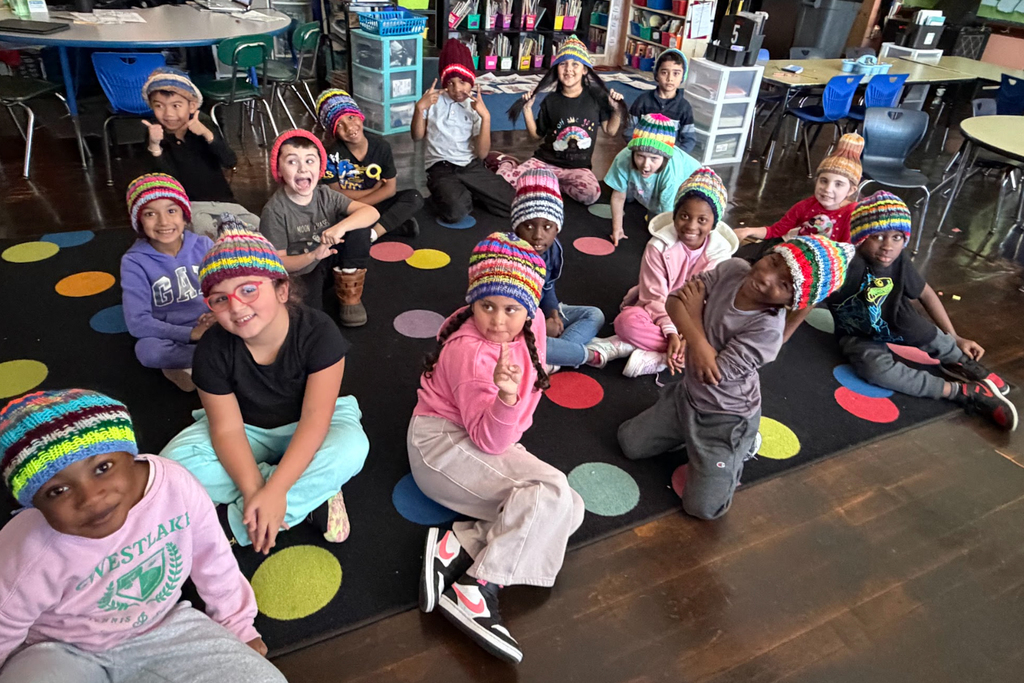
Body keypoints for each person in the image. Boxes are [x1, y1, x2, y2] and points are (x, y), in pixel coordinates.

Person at [0, 389, 286, 683]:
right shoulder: (26, 547)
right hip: (60, 649)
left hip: (163, 627)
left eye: (102, 468)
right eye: (57, 491)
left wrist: (236, 623)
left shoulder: (175, 485)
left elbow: (212, 557)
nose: (90, 498)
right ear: (34, 503)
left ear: (130, 454)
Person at [409, 233, 584, 664]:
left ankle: (460, 544)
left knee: (570, 506)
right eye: (486, 306)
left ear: (529, 307)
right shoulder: (472, 355)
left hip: (481, 436)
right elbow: (491, 438)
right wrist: (507, 398)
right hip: (442, 448)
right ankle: (476, 586)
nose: (498, 320)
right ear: (473, 302)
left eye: (511, 308)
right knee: (553, 497)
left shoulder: (532, 325)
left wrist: (510, 402)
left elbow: (501, 428)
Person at [160, 223, 371, 554]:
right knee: (173, 465)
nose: (237, 308)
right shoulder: (212, 349)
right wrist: (261, 490)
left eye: (248, 290)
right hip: (247, 429)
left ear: (282, 290)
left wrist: (275, 492)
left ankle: (237, 523)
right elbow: (227, 429)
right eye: (220, 299)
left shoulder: (319, 332)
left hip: (315, 422)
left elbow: (316, 419)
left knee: (352, 448)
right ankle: (311, 495)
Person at [618, 236, 855, 519]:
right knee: (628, 442)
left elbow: (712, 372)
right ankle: (684, 432)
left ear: (793, 301)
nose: (767, 276)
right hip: (688, 397)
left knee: (703, 509)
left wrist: (694, 315)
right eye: (774, 261)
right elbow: (674, 301)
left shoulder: (767, 330)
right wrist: (693, 323)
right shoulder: (733, 269)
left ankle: (742, 443)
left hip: (725, 418)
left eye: (785, 285)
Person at [788, 191, 1018, 430]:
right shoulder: (843, 263)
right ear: (861, 237)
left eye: (897, 237)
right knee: (874, 371)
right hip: (858, 333)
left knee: (927, 334)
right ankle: (963, 392)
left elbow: (926, 293)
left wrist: (955, 337)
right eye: (877, 236)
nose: (888, 246)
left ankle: (959, 363)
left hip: (899, 321)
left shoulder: (899, 261)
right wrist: (782, 337)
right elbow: (812, 299)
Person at [589, 167, 736, 378]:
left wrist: (689, 335)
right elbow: (654, 297)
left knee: (722, 339)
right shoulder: (657, 246)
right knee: (626, 322)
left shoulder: (720, 256)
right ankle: (676, 354)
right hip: (658, 312)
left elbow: (711, 305)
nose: (691, 226)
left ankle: (630, 348)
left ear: (714, 223)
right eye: (684, 216)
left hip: (698, 322)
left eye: (702, 220)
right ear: (675, 214)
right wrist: (672, 333)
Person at [259, 129, 379, 327]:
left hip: (329, 256)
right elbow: (278, 263)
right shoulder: (274, 211)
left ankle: (348, 283)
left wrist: (339, 228)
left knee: (359, 226)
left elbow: (371, 213)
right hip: (303, 269)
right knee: (310, 320)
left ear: (320, 166)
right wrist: (313, 256)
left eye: (309, 160)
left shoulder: (325, 194)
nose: (302, 169)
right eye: (292, 161)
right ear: (278, 170)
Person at [498, 36, 626, 206]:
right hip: (545, 162)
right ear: (557, 69)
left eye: (575, 64)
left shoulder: (597, 97)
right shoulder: (551, 101)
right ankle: (508, 162)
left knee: (590, 194)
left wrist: (617, 110)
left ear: (585, 70)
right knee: (505, 183)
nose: (568, 69)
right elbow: (536, 136)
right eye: (563, 64)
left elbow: (610, 131)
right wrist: (527, 110)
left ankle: (549, 185)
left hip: (577, 168)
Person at [121, 174, 215, 393]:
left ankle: (198, 365)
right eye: (150, 214)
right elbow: (137, 322)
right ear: (139, 222)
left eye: (171, 211)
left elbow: (227, 288)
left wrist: (220, 313)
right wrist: (191, 334)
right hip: (169, 334)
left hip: (213, 324)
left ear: (184, 216)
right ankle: (213, 361)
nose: (163, 222)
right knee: (147, 351)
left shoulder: (204, 245)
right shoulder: (134, 261)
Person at [141, 67, 259, 238]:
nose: (168, 114)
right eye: (159, 106)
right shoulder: (154, 133)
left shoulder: (203, 124)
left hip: (224, 202)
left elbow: (229, 161)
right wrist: (154, 147)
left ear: (192, 106)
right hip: (189, 206)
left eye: (176, 105)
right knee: (207, 232)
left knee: (257, 226)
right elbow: (166, 182)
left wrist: (208, 135)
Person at [510, 168, 605, 372]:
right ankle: (590, 355)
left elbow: (547, 286)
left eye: (547, 227)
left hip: (539, 316)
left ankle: (551, 360)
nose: (537, 236)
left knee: (595, 315)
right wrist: (541, 325)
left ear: (557, 228)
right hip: (513, 323)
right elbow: (508, 313)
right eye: (528, 226)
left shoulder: (552, 249)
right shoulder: (508, 256)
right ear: (516, 227)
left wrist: (552, 313)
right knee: (522, 343)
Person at [411, 39, 514, 224]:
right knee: (455, 212)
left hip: (470, 165)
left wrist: (486, 118)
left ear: (472, 81)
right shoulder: (432, 101)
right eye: (450, 83)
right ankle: (458, 192)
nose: (457, 89)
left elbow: (482, 153)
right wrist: (419, 109)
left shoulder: (474, 106)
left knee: (513, 203)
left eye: (463, 82)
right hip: (440, 167)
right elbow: (417, 136)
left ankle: (467, 190)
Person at [733, 133, 864, 259]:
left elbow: (844, 252)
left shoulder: (853, 215)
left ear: (851, 190)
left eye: (839, 184)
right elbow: (777, 230)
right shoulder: (805, 206)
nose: (828, 189)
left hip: (818, 262)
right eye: (823, 181)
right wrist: (748, 231)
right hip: (791, 249)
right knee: (741, 255)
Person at [316, 89, 424, 241]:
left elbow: (390, 190)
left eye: (351, 117)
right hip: (347, 209)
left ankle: (373, 235)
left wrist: (365, 208)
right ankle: (388, 226)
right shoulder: (330, 155)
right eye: (339, 125)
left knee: (414, 197)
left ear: (360, 117)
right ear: (333, 131)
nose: (349, 127)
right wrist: (374, 189)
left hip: (372, 204)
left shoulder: (381, 146)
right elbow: (336, 196)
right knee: (329, 220)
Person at [605, 113, 701, 246]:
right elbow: (618, 196)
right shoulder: (623, 159)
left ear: (664, 158)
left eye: (654, 158)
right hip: (659, 197)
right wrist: (617, 229)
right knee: (652, 225)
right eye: (640, 156)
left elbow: (668, 211)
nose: (646, 164)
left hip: (694, 195)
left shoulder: (671, 172)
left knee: (682, 237)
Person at [624, 49, 696, 153]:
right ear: (656, 75)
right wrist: (639, 151)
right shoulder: (642, 101)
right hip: (642, 156)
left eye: (676, 73)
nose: (670, 78)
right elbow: (628, 130)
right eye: (664, 72)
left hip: (669, 159)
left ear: (682, 77)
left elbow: (689, 139)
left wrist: (675, 157)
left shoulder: (684, 107)